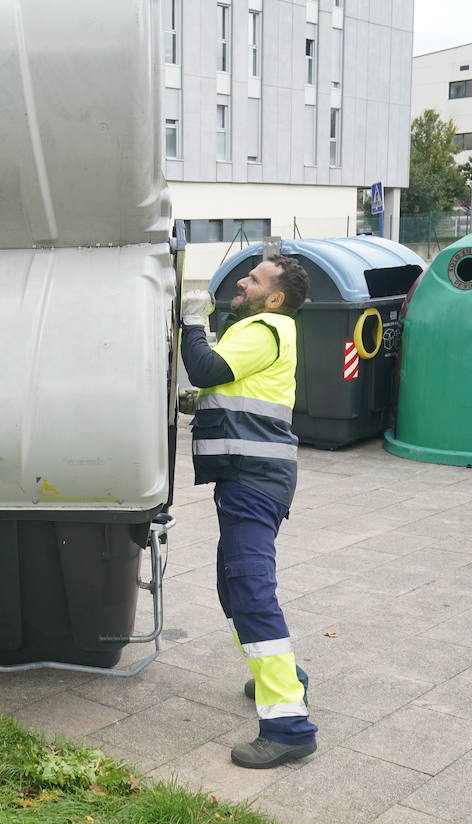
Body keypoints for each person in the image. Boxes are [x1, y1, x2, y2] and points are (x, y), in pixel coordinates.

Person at [178, 255, 317, 768]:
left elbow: (209, 367)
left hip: (254, 480)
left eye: (254, 278)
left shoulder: (266, 327)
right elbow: (230, 385)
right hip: (248, 477)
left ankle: (288, 726)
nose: (242, 280)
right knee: (233, 587)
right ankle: (281, 676)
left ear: (275, 297)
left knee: (251, 590)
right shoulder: (262, 328)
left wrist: (193, 320)